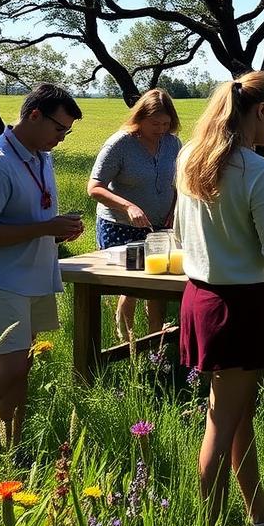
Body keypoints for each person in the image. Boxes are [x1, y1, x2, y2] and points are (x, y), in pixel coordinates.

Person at [174, 72, 264, 526]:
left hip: (201, 298)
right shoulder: (256, 170)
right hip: (240, 306)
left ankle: (260, 512)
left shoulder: (189, 159)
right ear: (259, 111)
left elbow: (179, 233)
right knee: (220, 424)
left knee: (239, 413)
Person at [0, 84, 85, 447]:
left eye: (67, 132)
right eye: (59, 129)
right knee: (8, 367)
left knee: (19, 367)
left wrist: (57, 231)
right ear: (33, 115)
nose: (61, 138)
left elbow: (27, 217)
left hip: (29, 276)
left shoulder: (40, 155)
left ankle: (11, 449)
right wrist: (45, 227)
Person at [87, 88, 182, 340]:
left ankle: (154, 343)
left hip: (159, 225)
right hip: (120, 225)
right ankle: (126, 340)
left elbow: (177, 184)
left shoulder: (173, 143)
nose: (161, 129)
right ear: (139, 118)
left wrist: (174, 211)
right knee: (131, 283)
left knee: (157, 282)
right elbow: (94, 187)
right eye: (154, 123)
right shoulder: (120, 143)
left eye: (166, 123)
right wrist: (128, 206)